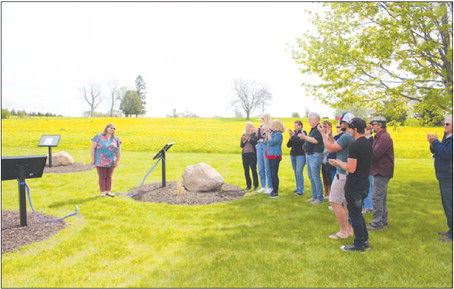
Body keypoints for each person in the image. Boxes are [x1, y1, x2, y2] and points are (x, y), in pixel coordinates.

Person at [330, 118, 372, 252]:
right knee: (357, 214)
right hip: (364, 183)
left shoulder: (355, 145)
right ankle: (364, 240)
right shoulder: (367, 143)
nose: (348, 131)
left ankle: (359, 244)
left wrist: (339, 163)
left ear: (354, 129)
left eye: (350, 128)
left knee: (354, 216)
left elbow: (351, 168)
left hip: (355, 184)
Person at [319, 112, 355, 239]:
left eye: (341, 122)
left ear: (346, 123)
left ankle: (343, 232)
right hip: (349, 173)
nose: (340, 124)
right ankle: (350, 229)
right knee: (346, 202)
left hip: (342, 173)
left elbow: (330, 149)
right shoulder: (352, 136)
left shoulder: (346, 136)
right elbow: (337, 146)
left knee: (334, 201)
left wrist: (323, 135)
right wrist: (330, 136)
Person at [427, 115, 453, 242]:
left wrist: (436, 142)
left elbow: (447, 154)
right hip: (443, 175)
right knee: (447, 204)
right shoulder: (448, 137)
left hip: (449, 176)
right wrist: (433, 143)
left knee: (450, 205)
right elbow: (439, 151)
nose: (444, 126)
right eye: (444, 124)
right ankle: (451, 230)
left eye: (447, 124)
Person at [367, 116, 394, 231]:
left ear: (380, 125)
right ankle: (383, 221)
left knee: (377, 197)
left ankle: (377, 223)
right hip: (379, 170)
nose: (371, 126)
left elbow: (375, 154)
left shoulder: (384, 137)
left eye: (373, 124)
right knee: (381, 197)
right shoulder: (378, 136)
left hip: (382, 170)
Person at [90, 123, 122, 197]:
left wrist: (117, 161)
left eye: (114, 128)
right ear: (106, 128)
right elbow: (92, 148)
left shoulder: (116, 139)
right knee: (102, 176)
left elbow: (119, 151)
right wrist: (92, 159)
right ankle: (103, 192)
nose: (112, 129)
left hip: (111, 161)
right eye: (110, 128)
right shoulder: (98, 137)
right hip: (100, 160)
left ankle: (109, 191)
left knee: (109, 176)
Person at [301, 112, 324, 204]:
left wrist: (305, 137)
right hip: (310, 155)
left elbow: (316, 140)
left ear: (316, 119)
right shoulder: (313, 129)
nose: (309, 121)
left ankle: (319, 198)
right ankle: (314, 196)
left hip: (315, 155)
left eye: (310, 119)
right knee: (311, 177)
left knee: (316, 177)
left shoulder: (319, 128)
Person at [266, 119, 285, 198]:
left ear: (277, 126)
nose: (271, 127)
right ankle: (273, 190)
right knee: (271, 173)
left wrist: (269, 135)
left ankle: (275, 192)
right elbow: (267, 142)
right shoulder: (273, 133)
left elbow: (272, 142)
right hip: (270, 154)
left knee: (274, 174)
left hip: (275, 156)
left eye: (273, 125)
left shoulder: (278, 134)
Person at [287, 120, 307, 196]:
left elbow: (300, 143)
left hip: (300, 155)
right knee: (296, 172)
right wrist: (290, 137)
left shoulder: (303, 132)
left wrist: (293, 136)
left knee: (299, 172)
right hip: (293, 154)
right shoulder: (294, 134)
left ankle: (301, 190)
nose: (295, 127)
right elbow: (289, 145)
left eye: (296, 125)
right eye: (294, 125)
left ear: (300, 126)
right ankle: (298, 187)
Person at [256, 113, 273, 194]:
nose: (262, 118)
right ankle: (263, 186)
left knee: (267, 167)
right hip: (259, 145)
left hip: (266, 145)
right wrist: (257, 132)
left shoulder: (271, 125)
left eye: (264, 117)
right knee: (260, 167)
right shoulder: (260, 125)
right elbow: (258, 136)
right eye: (262, 117)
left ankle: (270, 186)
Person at [240, 122, 259, 191]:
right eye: (246, 126)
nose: (247, 128)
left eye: (248, 126)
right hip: (245, 154)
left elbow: (254, 142)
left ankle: (256, 185)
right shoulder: (243, 135)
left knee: (253, 169)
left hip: (252, 154)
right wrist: (244, 140)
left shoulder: (254, 135)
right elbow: (241, 146)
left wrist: (248, 139)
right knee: (246, 170)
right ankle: (248, 185)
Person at [321, 120, 335, 199]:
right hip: (323, 159)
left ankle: (330, 193)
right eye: (323, 126)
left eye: (325, 126)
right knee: (324, 176)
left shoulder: (330, 135)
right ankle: (326, 192)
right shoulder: (323, 135)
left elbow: (329, 146)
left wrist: (321, 152)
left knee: (329, 176)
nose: (324, 128)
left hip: (328, 157)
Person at [362, 124, 374, 214]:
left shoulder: (370, 140)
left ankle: (368, 206)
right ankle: (365, 205)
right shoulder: (366, 140)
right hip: (365, 167)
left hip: (368, 167)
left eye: (365, 130)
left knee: (368, 187)